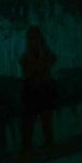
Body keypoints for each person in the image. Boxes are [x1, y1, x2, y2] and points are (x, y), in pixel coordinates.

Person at [19, 25, 57, 153]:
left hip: (40, 90)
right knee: (32, 117)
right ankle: (31, 144)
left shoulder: (42, 53)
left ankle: (35, 143)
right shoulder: (30, 54)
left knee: (40, 116)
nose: (32, 41)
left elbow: (50, 61)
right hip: (35, 91)